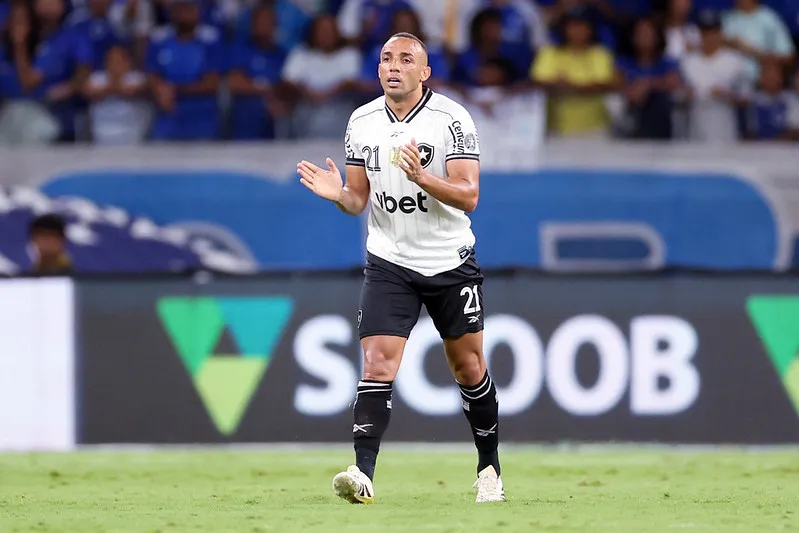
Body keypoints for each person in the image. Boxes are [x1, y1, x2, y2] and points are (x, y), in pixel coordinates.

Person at [297, 32, 504, 505]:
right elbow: (357, 199)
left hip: (449, 260)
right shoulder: (361, 121)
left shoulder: (452, 119)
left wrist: (422, 177)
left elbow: (469, 195)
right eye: (387, 58)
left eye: (406, 59)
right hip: (389, 261)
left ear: (424, 72)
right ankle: (362, 471)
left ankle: (489, 468)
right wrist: (339, 197)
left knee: (469, 367)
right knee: (377, 362)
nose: (394, 66)